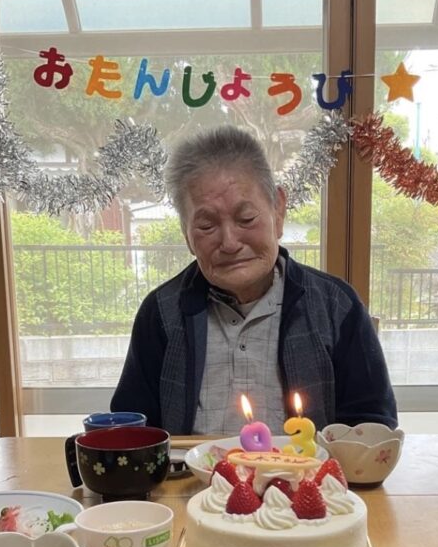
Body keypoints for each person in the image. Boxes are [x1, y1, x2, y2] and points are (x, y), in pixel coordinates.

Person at [111, 125, 397, 435]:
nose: (230, 242)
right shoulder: (161, 313)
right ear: (186, 233)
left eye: (246, 218)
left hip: (306, 468)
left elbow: (372, 425)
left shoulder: (335, 306)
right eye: (206, 226)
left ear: (278, 210)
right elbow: (132, 431)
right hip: (190, 469)